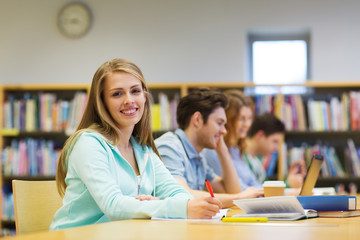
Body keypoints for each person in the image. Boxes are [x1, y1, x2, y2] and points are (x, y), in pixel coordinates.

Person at [50, 59, 222, 230]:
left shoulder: (143, 149)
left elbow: (180, 194)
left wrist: (155, 205)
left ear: (145, 97)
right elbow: (114, 206)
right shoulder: (88, 144)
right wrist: (158, 207)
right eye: (117, 94)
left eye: (135, 91)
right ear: (102, 102)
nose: (129, 100)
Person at [155, 88, 263, 208]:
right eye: (219, 123)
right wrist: (239, 198)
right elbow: (180, 195)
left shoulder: (198, 157)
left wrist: (222, 151)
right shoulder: (170, 147)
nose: (224, 131)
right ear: (197, 119)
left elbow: (230, 191)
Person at [202, 90, 263, 190]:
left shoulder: (236, 150)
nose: (247, 124)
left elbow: (255, 184)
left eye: (249, 118)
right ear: (228, 120)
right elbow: (239, 191)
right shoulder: (213, 151)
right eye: (241, 119)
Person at [243, 113, 306, 189]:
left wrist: (289, 180)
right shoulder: (241, 158)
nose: (277, 148)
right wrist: (288, 184)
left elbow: (263, 189)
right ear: (260, 135)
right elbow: (258, 194)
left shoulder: (256, 160)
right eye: (275, 141)